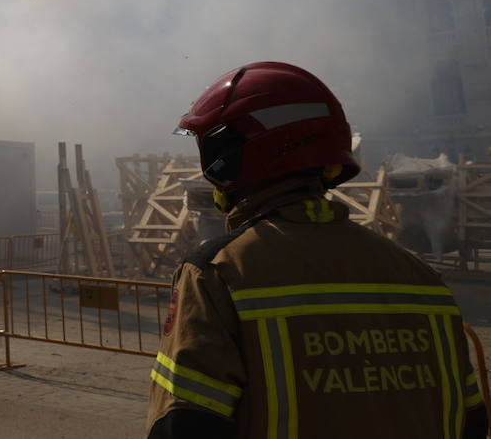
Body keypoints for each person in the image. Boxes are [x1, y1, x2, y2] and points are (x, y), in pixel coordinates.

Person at [147, 61, 487, 438]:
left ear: (232, 156)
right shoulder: (421, 277)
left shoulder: (217, 273)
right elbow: (469, 420)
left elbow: (185, 426)